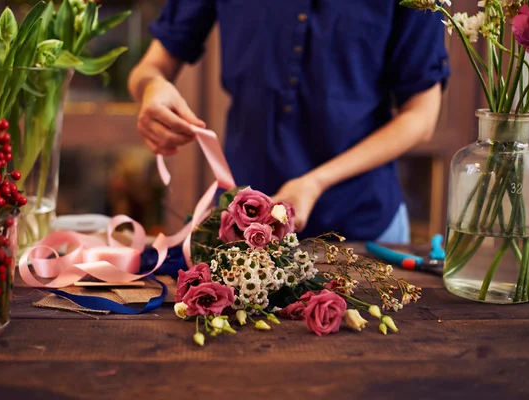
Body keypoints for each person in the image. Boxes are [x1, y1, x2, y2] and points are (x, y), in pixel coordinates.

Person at [128, 1, 450, 243]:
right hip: (242, 227)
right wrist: (152, 87)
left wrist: (316, 182)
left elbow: (421, 116)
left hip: (365, 228)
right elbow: (149, 69)